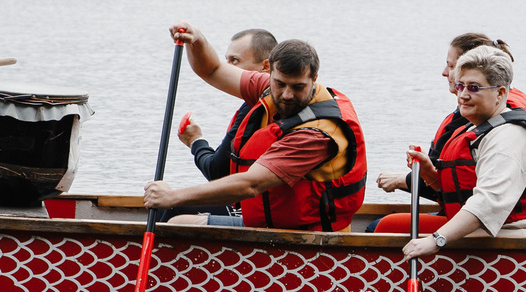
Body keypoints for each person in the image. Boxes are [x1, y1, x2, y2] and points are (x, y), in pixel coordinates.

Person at [142, 32, 367, 229]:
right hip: (269, 220)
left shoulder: (317, 135)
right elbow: (212, 69)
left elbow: (251, 185)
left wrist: (172, 196)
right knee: (172, 209)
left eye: (298, 87)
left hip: (307, 237)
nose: (287, 95)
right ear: (271, 74)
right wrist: (196, 38)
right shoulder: (267, 88)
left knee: (179, 221)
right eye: (280, 84)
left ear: (314, 80)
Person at [391, 47, 526, 256]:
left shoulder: (510, 136)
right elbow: (464, 193)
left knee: (384, 227)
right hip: (482, 235)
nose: (463, 95)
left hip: (515, 244)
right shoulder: (478, 128)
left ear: (500, 93)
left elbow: (488, 204)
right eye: (460, 86)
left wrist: (435, 241)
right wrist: (431, 176)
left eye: (474, 88)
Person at [375, 31, 526, 209]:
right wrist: (427, 171)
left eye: (451, 66)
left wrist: (402, 179)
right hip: (466, 213)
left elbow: (478, 201)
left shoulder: (488, 119)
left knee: (379, 224)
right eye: (461, 86)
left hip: (486, 220)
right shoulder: (496, 109)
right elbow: (452, 185)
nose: (444, 73)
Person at [176, 29, 278, 196]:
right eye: (226, 60)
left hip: (256, 204)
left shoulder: (257, 108)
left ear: (266, 66)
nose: (227, 68)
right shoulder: (272, 98)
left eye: (235, 61)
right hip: (257, 200)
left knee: (171, 206)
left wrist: (195, 141)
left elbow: (217, 173)